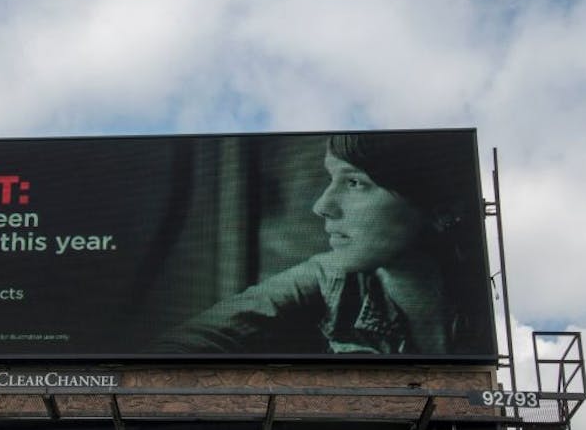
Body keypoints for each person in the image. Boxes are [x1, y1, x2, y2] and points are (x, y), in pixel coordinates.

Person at [157, 132, 492, 356]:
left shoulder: (488, 298)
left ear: (442, 209)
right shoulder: (328, 277)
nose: (322, 205)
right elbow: (185, 346)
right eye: (332, 179)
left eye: (355, 183)